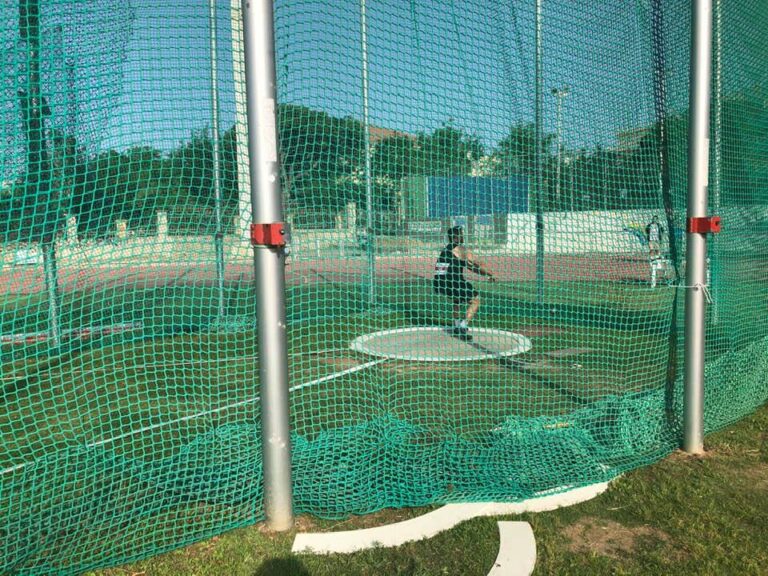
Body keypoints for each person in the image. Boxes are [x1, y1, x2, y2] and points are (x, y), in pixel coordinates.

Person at [433, 226, 496, 341]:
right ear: (456, 237)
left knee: (456, 300)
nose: (463, 236)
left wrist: (485, 274)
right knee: (476, 300)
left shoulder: (446, 250)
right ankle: (463, 326)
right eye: (461, 234)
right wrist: (491, 274)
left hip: (442, 283)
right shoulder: (460, 250)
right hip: (454, 281)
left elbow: (471, 267)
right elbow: (476, 263)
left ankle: (457, 326)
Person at [645, 215, 666, 287]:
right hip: (651, 240)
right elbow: (646, 230)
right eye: (653, 219)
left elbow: (662, 231)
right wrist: (648, 236)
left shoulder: (659, 225)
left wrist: (661, 238)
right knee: (651, 249)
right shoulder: (649, 225)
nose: (654, 220)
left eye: (656, 219)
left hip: (657, 240)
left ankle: (657, 258)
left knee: (657, 250)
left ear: (657, 220)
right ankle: (651, 259)